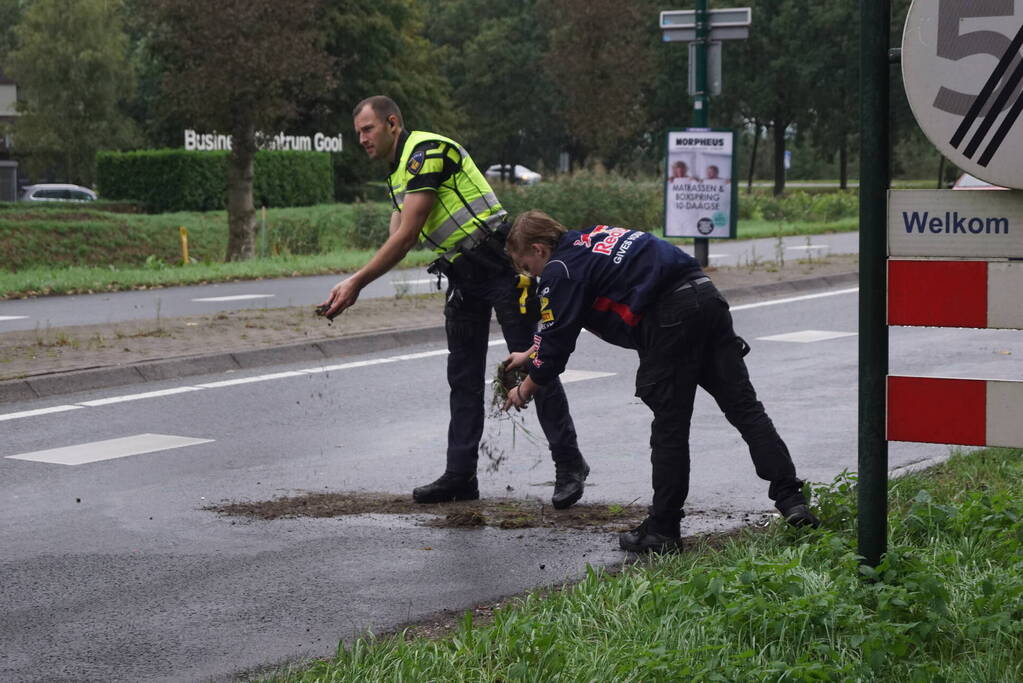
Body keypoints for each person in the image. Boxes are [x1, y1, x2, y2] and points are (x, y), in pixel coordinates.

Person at [320, 97, 588, 509]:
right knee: (462, 378)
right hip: (463, 274)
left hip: (501, 266)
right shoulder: (396, 175)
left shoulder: (425, 153)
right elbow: (396, 241)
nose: (362, 139)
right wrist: (354, 283)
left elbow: (408, 235)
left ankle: (569, 464)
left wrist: (357, 282)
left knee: (535, 364)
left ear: (392, 123)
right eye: (358, 131)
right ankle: (460, 475)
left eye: (368, 129)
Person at [501, 210, 819, 553]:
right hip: (706, 298)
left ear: (539, 249)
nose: (529, 274)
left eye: (526, 266)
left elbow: (557, 346)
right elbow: (561, 321)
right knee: (746, 410)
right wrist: (530, 352)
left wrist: (525, 388)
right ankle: (792, 500)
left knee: (670, 428)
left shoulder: (559, 269)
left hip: (669, 319)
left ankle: (663, 529)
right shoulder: (594, 238)